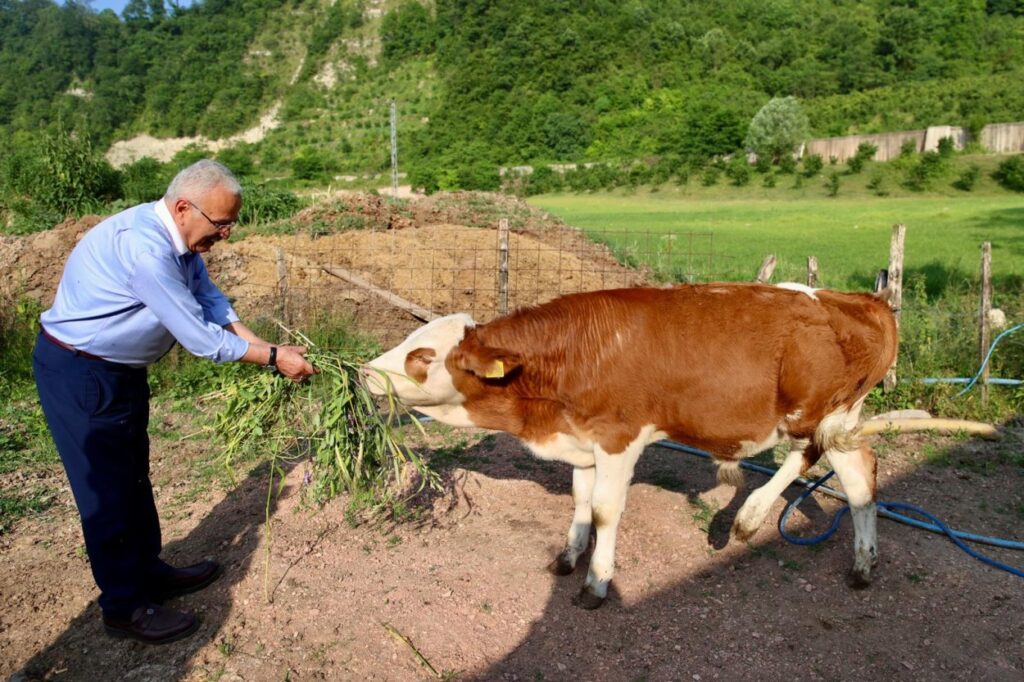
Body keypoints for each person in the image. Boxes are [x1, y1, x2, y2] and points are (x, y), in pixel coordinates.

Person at [33, 159, 317, 645]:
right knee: (106, 492)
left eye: (231, 222)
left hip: (118, 372)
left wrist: (266, 346)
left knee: (133, 477)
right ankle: (124, 606)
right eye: (221, 222)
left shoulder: (180, 242)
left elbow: (212, 302)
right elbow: (201, 338)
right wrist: (273, 359)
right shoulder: (146, 250)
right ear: (184, 207)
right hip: (82, 373)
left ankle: (150, 572)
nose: (226, 233)